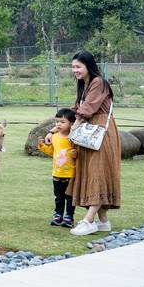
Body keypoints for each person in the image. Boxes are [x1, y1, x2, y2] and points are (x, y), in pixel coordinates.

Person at [67, 51, 121, 236]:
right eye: (73, 67)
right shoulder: (83, 84)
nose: (75, 70)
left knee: (98, 172)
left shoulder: (98, 82)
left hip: (100, 132)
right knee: (93, 172)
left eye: (78, 66)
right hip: (90, 132)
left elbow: (87, 108)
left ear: (88, 66)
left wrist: (74, 127)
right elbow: (77, 108)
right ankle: (103, 221)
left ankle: (88, 221)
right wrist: (54, 130)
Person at [39, 108, 78, 228]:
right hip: (57, 173)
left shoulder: (74, 138)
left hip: (70, 175)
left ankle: (69, 217)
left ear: (72, 123)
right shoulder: (55, 137)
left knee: (70, 198)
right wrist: (42, 146)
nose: (58, 124)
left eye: (62, 122)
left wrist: (75, 153)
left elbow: (79, 153)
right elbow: (52, 152)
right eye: (57, 122)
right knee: (58, 197)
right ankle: (58, 215)